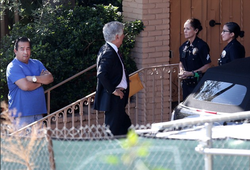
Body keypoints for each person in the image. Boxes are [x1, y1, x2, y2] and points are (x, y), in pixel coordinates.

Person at [6, 37, 54, 129]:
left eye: (28, 49)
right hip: (21, 115)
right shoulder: (13, 67)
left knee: (39, 143)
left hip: (38, 112)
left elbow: (50, 78)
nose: (25, 52)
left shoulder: (37, 63)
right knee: (24, 143)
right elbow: (25, 86)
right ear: (15, 51)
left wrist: (33, 78)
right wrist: (41, 81)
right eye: (22, 49)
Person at [93, 21, 131, 136]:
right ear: (117, 36)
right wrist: (114, 90)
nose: (124, 36)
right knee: (113, 132)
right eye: (123, 33)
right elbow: (101, 74)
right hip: (114, 99)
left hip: (118, 98)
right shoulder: (108, 52)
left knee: (126, 128)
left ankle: (129, 151)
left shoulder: (109, 49)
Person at [178, 18, 211, 100]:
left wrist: (191, 73)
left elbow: (207, 65)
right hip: (186, 84)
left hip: (198, 83)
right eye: (184, 29)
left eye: (188, 29)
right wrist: (182, 71)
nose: (185, 31)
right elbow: (181, 62)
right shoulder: (184, 46)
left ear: (196, 30)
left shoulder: (201, 46)